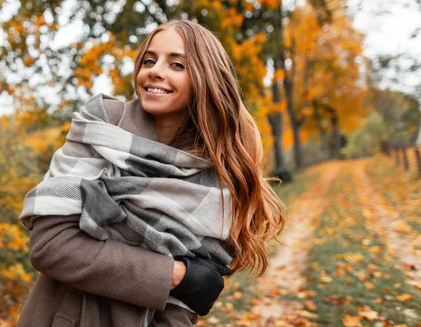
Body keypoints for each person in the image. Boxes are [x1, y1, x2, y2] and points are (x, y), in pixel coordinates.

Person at [17, 20, 286, 327]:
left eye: (177, 64)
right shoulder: (103, 127)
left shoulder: (216, 173)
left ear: (205, 78)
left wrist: (182, 286)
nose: (156, 70)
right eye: (149, 60)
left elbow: (190, 299)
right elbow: (51, 246)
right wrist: (173, 274)